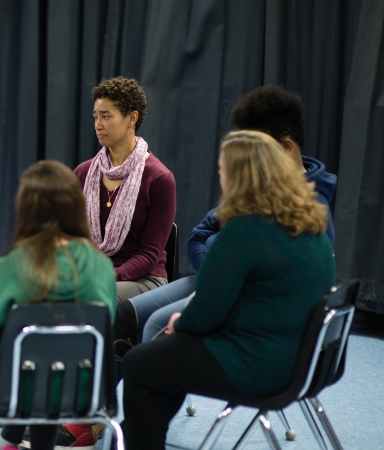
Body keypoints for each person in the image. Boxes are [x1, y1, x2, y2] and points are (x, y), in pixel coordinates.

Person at [120, 130, 336, 450]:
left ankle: (135, 435)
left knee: (140, 362)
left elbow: (205, 313)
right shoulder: (311, 222)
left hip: (258, 365)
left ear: (240, 177)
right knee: (165, 355)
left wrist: (180, 322)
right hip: (304, 362)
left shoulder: (245, 229)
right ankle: (139, 431)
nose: (219, 176)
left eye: (222, 169)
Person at [134, 85, 338, 344]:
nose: (247, 158)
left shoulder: (307, 210)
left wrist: (221, 261)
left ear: (286, 147)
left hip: (247, 307)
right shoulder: (257, 188)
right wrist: (219, 264)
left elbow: (236, 256)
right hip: (217, 281)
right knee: (127, 315)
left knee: (154, 329)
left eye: (256, 148)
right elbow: (200, 237)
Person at [61, 76, 176, 448]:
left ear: (132, 118)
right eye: (95, 115)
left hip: (144, 279)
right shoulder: (83, 173)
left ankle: (91, 415)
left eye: (107, 116)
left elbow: (151, 254)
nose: (98, 124)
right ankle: (47, 399)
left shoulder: (159, 178)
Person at [0, 161, 117, 450]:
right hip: (85, 392)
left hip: (17, 391)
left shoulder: (6, 269)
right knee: (57, 374)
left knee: (34, 373)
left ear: (26, 209)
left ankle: (9, 440)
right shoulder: (102, 266)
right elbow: (106, 327)